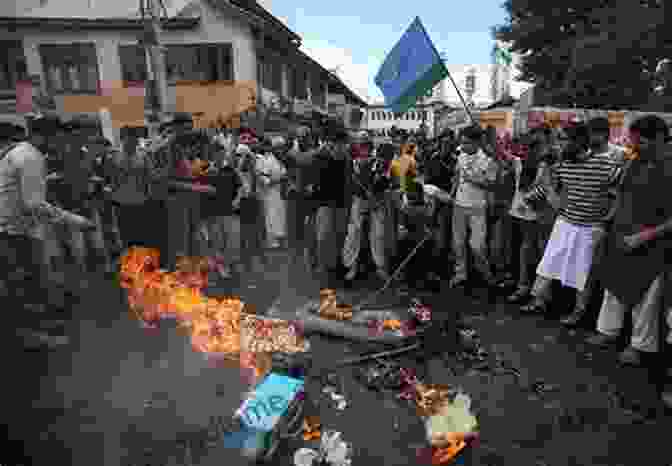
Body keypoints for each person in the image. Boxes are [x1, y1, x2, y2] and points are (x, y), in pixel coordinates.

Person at [587, 116, 672, 383]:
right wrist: (605, 222)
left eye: (641, 141)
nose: (635, 145)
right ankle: (608, 331)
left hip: (653, 245)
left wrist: (646, 236)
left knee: (646, 297)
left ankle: (639, 347)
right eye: (634, 140)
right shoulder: (635, 161)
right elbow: (621, 195)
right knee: (614, 285)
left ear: (659, 137)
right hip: (621, 236)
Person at [1, 114, 95, 350]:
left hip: (13, 229)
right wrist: (75, 220)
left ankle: (37, 329)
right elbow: (34, 204)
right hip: (14, 232)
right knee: (26, 284)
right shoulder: (30, 157)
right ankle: (35, 336)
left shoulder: (19, 152)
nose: (59, 145)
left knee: (25, 283)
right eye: (57, 139)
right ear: (45, 136)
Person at [521, 120, 623, 325]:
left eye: (563, 140)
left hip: (591, 227)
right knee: (548, 264)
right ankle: (539, 300)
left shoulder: (606, 164)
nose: (558, 144)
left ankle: (579, 312)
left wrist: (609, 217)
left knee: (582, 273)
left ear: (578, 141)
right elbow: (552, 191)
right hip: (566, 222)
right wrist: (534, 194)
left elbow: (621, 189)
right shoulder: (561, 164)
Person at [506, 126, 555, 304]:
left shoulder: (550, 164)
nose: (535, 147)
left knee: (540, 251)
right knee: (528, 249)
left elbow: (552, 188)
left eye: (539, 143)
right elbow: (499, 154)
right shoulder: (522, 163)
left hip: (545, 213)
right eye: (532, 144)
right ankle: (526, 287)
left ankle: (541, 293)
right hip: (527, 212)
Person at [449, 125, 499, 294]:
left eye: (467, 143)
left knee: (477, 245)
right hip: (459, 205)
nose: (462, 146)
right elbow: (457, 175)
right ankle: (460, 273)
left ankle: (485, 274)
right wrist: (452, 193)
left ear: (477, 143)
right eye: (462, 142)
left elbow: (492, 184)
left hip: (478, 207)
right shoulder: (460, 155)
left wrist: (474, 180)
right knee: (458, 243)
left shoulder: (488, 160)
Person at [342, 137, 394, 282]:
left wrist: (376, 189)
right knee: (353, 233)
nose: (364, 150)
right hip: (359, 200)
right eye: (362, 147)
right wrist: (361, 192)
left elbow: (385, 181)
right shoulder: (353, 163)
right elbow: (350, 183)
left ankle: (381, 267)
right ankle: (351, 265)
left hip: (377, 201)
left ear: (371, 149)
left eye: (367, 147)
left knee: (378, 234)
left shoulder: (380, 163)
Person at [312, 130, 352, 287]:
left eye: (344, 144)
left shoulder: (346, 159)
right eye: (339, 144)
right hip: (325, 203)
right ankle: (323, 270)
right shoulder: (321, 157)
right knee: (323, 237)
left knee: (340, 236)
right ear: (332, 143)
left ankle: (334, 268)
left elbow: (348, 181)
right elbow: (315, 181)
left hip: (341, 203)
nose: (342, 147)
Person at [256, 137, 288, 249]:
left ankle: (281, 240)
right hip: (271, 192)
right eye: (278, 148)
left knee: (280, 216)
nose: (281, 150)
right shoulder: (268, 161)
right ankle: (271, 242)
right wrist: (275, 180)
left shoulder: (282, 160)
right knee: (271, 216)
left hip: (281, 192)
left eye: (282, 148)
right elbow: (262, 177)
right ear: (274, 149)